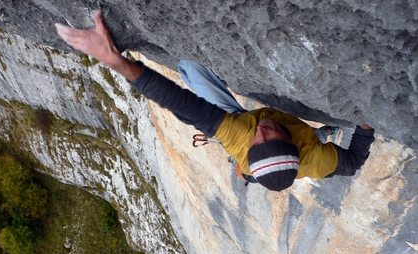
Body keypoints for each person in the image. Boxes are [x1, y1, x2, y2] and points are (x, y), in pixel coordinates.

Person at [55, 10, 375, 192]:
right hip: (281, 148)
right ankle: (327, 130)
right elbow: (355, 160)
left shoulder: (240, 138)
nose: (261, 128)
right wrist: (365, 123)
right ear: (292, 144)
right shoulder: (317, 161)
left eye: (259, 139)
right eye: (270, 134)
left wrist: (116, 61)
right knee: (310, 139)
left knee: (190, 69)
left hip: (237, 132)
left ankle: (317, 134)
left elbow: (180, 103)